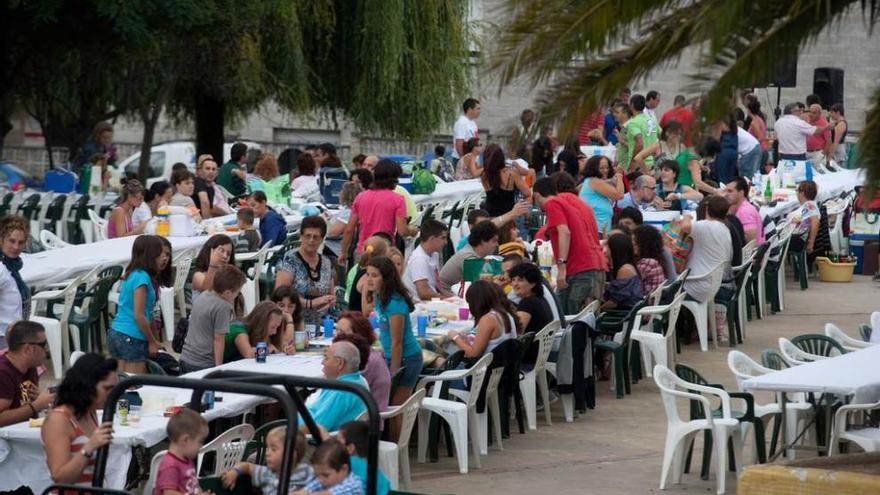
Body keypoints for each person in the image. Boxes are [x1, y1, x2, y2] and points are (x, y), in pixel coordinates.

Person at [532, 175, 607, 313]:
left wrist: (561, 267)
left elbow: (564, 232)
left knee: (571, 321)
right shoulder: (569, 204)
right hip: (592, 266)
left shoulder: (552, 203)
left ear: (537, 195)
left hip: (581, 269)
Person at [41, 353, 117, 485]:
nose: (113, 394)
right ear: (87, 385)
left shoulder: (89, 412)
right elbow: (60, 477)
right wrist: (89, 447)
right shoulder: (59, 419)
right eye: (107, 388)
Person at [365, 256, 422, 404]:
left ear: (386, 278)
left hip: (407, 358)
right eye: (368, 275)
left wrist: (393, 374)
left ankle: (401, 428)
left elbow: (397, 342)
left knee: (397, 405)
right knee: (390, 404)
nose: (369, 279)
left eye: (375, 275)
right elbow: (385, 333)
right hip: (392, 356)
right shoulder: (380, 298)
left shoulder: (394, 304)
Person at [108, 235, 168, 373]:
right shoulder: (142, 278)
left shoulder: (133, 274)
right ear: (150, 256)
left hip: (117, 333)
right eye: (160, 254)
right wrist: (152, 342)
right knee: (136, 387)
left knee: (120, 384)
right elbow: (139, 316)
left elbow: (149, 313)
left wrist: (154, 339)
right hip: (132, 337)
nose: (163, 258)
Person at [340, 159, 417, 264]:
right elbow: (402, 231)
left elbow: (349, 229)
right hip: (385, 252)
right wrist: (412, 231)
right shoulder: (398, 199)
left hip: (362, 252)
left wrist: (343, 252)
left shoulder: (360, 197)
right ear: (393, 179)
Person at [180, 264, 246, 373]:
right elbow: (219, 339)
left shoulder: (204, 294)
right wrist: (218, 367)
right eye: (237, 292)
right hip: (203, 363)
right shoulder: (223, 307)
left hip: (186, 358)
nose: (237, 295)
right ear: (228, 293)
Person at [275, 215, 336, 327]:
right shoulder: (289, 260)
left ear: (322, 239)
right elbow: (280, 295)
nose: (311, 240)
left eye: (316, 237)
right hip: (293, 322)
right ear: (301, 236)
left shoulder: (327, 263)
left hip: (322, 323)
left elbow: (331, 294)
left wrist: (330, 300)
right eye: (308, 236)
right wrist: (310, 304)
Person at [223, 426, 315, 494]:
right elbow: (246, 466)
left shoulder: (307, 471)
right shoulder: (267, 473)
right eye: (267, 448)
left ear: (292, 453)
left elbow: (324, 486)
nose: (267, 453)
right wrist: (235, 471)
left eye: (274, 449)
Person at [305, 341, 370, 432]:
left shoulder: (341, 391)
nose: (322, 362)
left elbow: (316, 428)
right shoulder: (359, 380)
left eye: (326, 358)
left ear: (340, 363)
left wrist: (288, 427)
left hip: (317, 441)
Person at [333, 312, 391, 413]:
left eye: (342, 333)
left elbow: (341, 393)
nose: (336, 336)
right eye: (336, 330)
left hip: (364, 421)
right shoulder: (369, 354)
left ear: (358, 335)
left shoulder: (366, 361)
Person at [680, 195, 733, 303]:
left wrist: (686, 217)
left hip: (695, 287)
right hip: (713, 285)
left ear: (707, 208)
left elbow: (685, 227)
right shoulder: (724, 228)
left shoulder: (705, 226)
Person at [0, 321, 54, 426]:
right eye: (44, 344)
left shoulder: (30, 367)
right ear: (28, 349)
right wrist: (36, 405)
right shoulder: (3, 373)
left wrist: (43, 400)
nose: (47, 349)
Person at [447, 280, 520, 358]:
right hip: (503, 364)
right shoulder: (504, 313)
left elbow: (473, 354)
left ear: (475, 302)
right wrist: (465, 341)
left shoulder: (488, 319)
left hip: (486, 367)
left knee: (441, 356)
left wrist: (455, 337)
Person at [152, 409, 209, 495]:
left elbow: (194, 486)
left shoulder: (187, 459)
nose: (201, 446)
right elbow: (169, 493)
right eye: (200, 441)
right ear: (185, 440)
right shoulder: (170, 465)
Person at [633, 120, 701, 189]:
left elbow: (689, 160)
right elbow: (638, 157)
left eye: (679, 134)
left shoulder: (682, 147)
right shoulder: (658, 146)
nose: (678, 136)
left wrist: (699, 165)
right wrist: (647, 173)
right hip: (660, 182)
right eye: (675, 134)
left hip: (677, 182)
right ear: (667, 133)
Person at [439, 221, 500, 293]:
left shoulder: (472, 252)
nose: (497, 244)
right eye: (494, 241)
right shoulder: (468, 258)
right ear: (483, 241)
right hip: (447, 296)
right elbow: (482, 288)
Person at [225, 301, 293, 363]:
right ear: (261, 323)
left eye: (277, 328)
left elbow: (276, 348)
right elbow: (248, 353)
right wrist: (268, 349)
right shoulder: (239, 329)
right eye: (273, 327)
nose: (275, 332)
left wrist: (285, 350)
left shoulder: (258, 332)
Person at [337, 422, 392, 495]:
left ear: (350, 448)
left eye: (338, 443)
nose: (335, 447)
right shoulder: (379, 474)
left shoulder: (348, 464)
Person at [403, 219, 451, 300]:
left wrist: (455, 298)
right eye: (443, 238)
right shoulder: (419, 259)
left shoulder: (433, 255)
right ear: (431, 238)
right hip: (419, 306)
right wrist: (446, 300)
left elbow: (437, 287)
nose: (446, 242)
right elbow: (423, 294)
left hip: (430, 302)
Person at [0, 216, 29, 348]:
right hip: (4, 339)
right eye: (11, 241)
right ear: (1, 240)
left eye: (21, 242)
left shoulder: (12, 267)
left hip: (16, 335)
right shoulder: (2, 269)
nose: (16, 247)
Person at [295, 440, 362, 495]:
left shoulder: (355, 484)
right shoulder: (322, 479)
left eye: (326, 475)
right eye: (316, 475)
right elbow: (303, 492)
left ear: (344, 469)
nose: (320, 479)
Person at [579, 155, 624, 235]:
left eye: (607, 167)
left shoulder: (592, 182)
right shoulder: (594, 181)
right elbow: (619, 195)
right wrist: (619, 176)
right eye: (602, 168)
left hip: (600, 230)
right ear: (594, 169)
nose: (605, 170)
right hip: (596, 231)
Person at [347, 235, 390, 312]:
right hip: (358, 321)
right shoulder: (368, 277)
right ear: (384, 256)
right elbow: (367, 311)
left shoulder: (363, 271)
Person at [508, 263, 554, 335]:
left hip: (532, 345)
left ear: (532, 284)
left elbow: (517, 333)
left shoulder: (527, 303)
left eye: (520, 280)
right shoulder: (540, 299)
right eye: (513, 280)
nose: (515, 284)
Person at [601, 233, 643, 310]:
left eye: (607, 247)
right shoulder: (628, 266)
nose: (604, 250)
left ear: (615, 249)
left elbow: (613, 303)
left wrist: (595, 311)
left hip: (623, 315)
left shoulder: (624, 270)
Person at [191, 234, 236, 302]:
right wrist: (213, 265)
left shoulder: (227, 276)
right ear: (210, 251)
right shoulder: (198, 275)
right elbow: (208, 293)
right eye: (221, 251)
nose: (225, 256)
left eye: (228, 254)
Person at [325, 182, 362, 258]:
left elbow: (333, 233)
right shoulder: (353, 210)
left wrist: (324, 221)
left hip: (334, 248)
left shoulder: (348, 213)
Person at [724, 177, 764, 244]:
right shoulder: (744, 207)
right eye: (725, 191)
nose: (726, 194)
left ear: (741, 193)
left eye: (730, 191)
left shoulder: (745, 211)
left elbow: (752, 242)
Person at [626, 94, 659, 172]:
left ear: (632, 105)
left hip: (639, 164)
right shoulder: (652, 119)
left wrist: (633, 160)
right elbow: (660, 136)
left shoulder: (633, 122)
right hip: (653, 162)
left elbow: (640, 143)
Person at [632, 225, 667, 296]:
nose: (632, 244)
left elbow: (630, 282)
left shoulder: (647, 263)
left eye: (635, 242)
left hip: (647, 303)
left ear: (645, 243)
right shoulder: (655, 259)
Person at [790, 180, 821, 255]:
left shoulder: (810, 206)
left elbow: (815, 222)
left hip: (797, 240)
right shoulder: (808, 205)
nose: (796, 193)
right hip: (795, 237)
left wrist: (811, 243)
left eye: (797, 191)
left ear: (802, 193)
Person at [192, 154, 225, 219]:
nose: (211, 172)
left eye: (213, 169)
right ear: (200, 171)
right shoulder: (198, 181)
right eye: (207, 169)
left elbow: (211, 209)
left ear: (217, 173)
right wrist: (207, 223)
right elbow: (204, 202)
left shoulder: (211, 187)